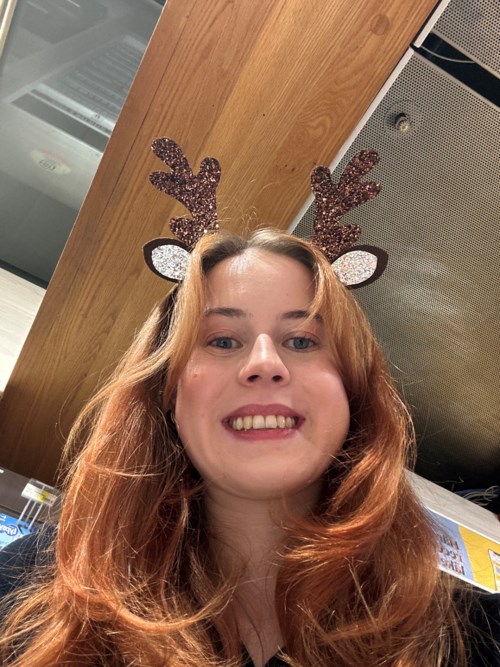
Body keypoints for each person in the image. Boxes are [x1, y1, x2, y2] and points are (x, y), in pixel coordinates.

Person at [0, 229, 498, 666]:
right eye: (221, 340)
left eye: (301, 341)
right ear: (168, 391)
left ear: (353, 391)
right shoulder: (27, 589)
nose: (264, 363)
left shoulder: (475, 637)